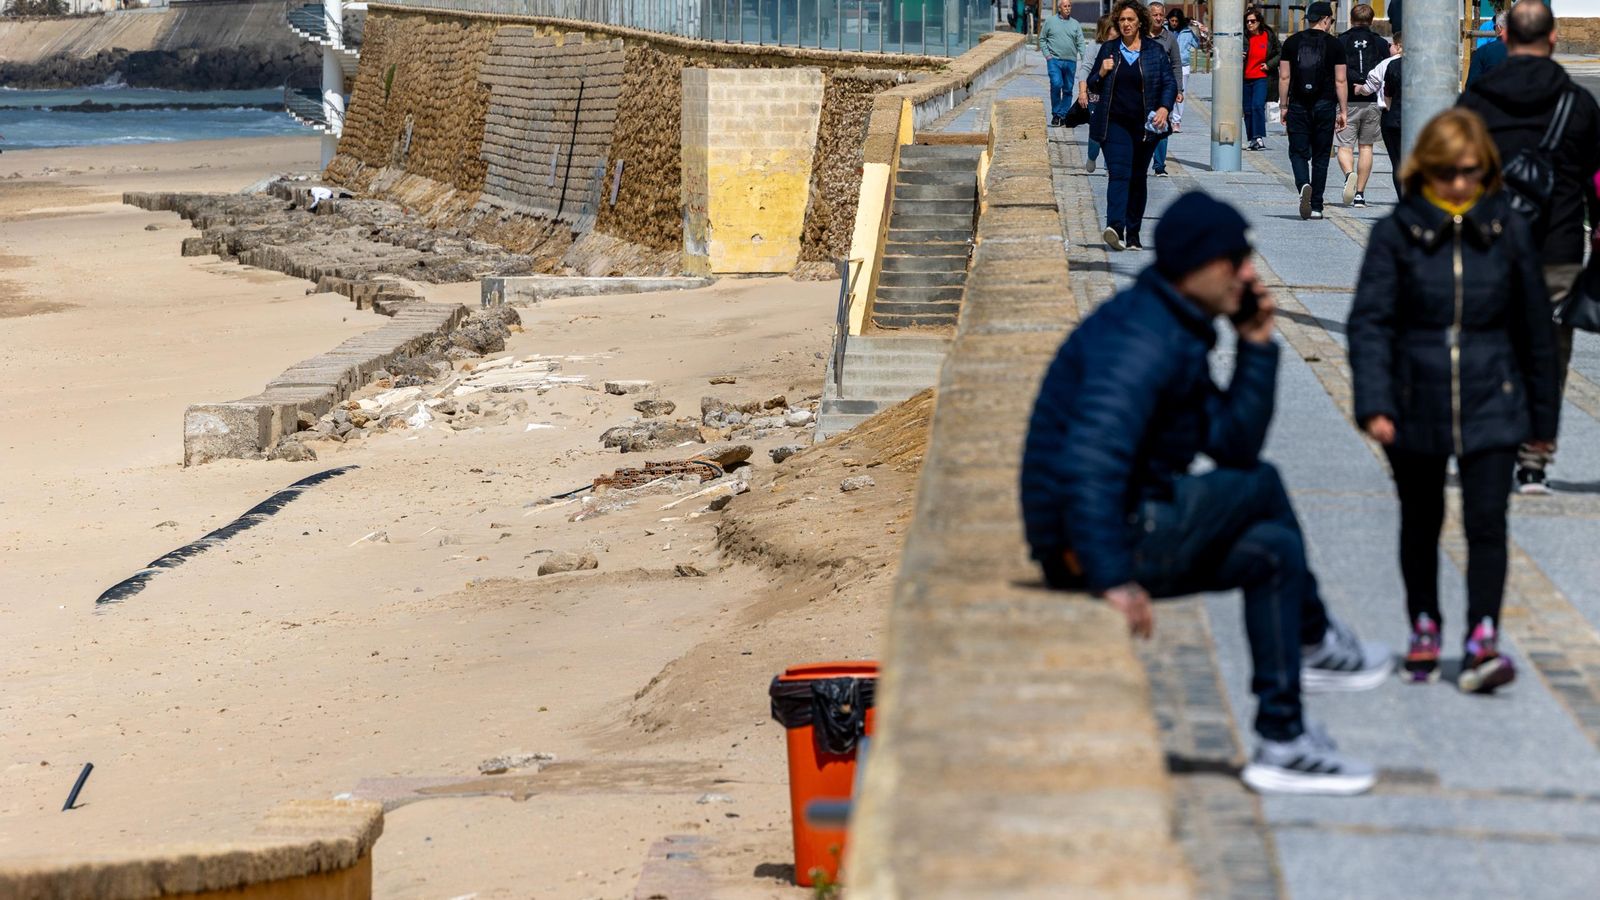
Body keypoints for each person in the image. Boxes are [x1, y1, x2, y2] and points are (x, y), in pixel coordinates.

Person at [1022, 191, 1392, 796]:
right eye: (1238, 259)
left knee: (1272, 550)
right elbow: (1090, 460)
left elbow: (1231, 442)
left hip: (1121, 523)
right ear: (1201, 266)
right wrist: (1111, 575)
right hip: (1089, 543)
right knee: (1263, 487)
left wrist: (1258, 344)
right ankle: (1316, 641)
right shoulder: (1142, 342)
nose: (1250, 272)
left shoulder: (1176, 328)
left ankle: (1283, 741)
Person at [1348, 108, 1559, 693]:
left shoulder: (1507, 230)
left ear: (1485, 170)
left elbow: (1536, 332)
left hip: (1494, 400)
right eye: (1447, 171)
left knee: (1487, 522)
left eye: (1470, 171)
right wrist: (1374, 403)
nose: (1459, 183)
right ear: (1426, 169)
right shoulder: (1397, 230)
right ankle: (1424, 625)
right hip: (1415, 399)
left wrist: (1544, 421)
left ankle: (1481, 637)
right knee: (1422, 520)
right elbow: (1369, 324)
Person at [1458, 0, 1600, 493]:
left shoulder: (1474, 103)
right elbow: (1597, 181)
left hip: (1487, 244)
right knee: (1548, 353)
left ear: (1504, 37)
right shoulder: (1578, 103)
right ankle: (1534, 459)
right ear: (1554, 38)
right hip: (1557, 247)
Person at [1085, 0, 1176, 250]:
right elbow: (1092, 84)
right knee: (1119, 172)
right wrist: (1101, 73)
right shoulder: (1109, 50)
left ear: (1140, 23)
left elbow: (1169, 83)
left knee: (1137, 178)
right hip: (1114, 123)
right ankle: (1115, 226)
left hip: (1145, 127)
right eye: (1122, 20)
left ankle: (1133, 233)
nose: (1126, 24)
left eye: (1130, 20)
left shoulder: (1154, 52)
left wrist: (1164, 108)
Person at [1278, 1, 1347, 220]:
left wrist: (1283, 105)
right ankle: (1316, 206)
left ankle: (1303, 185)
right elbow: (1341, 80)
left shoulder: (1291, 42)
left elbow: (1284, 77)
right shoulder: (1335, 45)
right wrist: (1343, 110)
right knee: (1320, 157)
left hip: (1298, 104)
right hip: (1325, 105)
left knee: (1297, 153)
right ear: (1326, 19)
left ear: (1309, 19)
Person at [1334, 4, 1389, 208]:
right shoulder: (1381, 43)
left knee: (1344, 145)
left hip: (1346, 100)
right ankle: (1359, 195)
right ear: (1372, 20)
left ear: (1351, 19)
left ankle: (1349, 174)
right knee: (1366, 147)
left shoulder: (1340, 41)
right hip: (1372, 100)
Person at [1145, 2, 1185, 177]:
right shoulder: (1141, 37)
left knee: (1162, 124)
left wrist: (1179, 89)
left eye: (1161, 15)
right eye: (1155, 15)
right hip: (1142, 87)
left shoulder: (1170, 39)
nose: (1159, 18)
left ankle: (1159, 165)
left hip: (1163, 89)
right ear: (1148, 16)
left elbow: (1177, 65)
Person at [1083, 12, 1118, 174]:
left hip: (1115, 97)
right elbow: (1085, 69)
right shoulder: (1095, 47)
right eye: (1113, 28)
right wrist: (1082, 91)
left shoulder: (1121, 47)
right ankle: (1092, 155)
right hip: (1096, 97)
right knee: (1096, 132)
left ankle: (1109, 164)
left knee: (1113, 131)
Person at [1042, 0, 1086, 127]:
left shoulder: (1075, 24)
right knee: (1056, 84)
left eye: (1069, 6)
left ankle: (1062, 115)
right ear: (1059, 8)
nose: (1067, 8)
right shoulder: (1050, 21)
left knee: (1068, 89)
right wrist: (1048, 56)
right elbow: (1042, 39)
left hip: (1071, 61)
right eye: (1065, 6)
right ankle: (1056, 113)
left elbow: (1081, 43)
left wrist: (1085, 59)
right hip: (1054, 60)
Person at [1243, 6, 1281, 151]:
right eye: (1247, 22)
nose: (1250, 24)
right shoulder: (1244, 37)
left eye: (1253, 21)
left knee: (1257, 106)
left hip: (1262, 77)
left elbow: (1279, 52)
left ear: (1259, 22)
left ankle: (1258, 137)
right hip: (1245, 78)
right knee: (1247, 109)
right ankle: (1252, 139)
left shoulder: (1268, 35)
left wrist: (1269, 65)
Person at [1368, 32, 1402, 194]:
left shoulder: (1391, 65)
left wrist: (1389, 110)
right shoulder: (1427, 65)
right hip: (1419, 121)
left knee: (1397, 163)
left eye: (1392, 45)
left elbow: (1387, 94)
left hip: (1394, 119)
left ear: (1400, 46)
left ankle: (1403, 199)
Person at [1166, 8, 1200, 132]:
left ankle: (1176, 121)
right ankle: (1167, 117)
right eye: (1172, 20)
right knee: (1167, 91)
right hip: (1167, 64)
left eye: (1176, 21)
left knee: (1180, 93)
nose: (1174, 23)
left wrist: (1200, 31)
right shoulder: (1164, 30)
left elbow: (1197, 44)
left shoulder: (1187, 32)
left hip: (1183, 65)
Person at [1465, 11, 1508, 88]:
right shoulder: (1529, 51)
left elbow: (1471, 87)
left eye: (1495, 28)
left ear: (1498, 27)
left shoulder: (1483, 52)